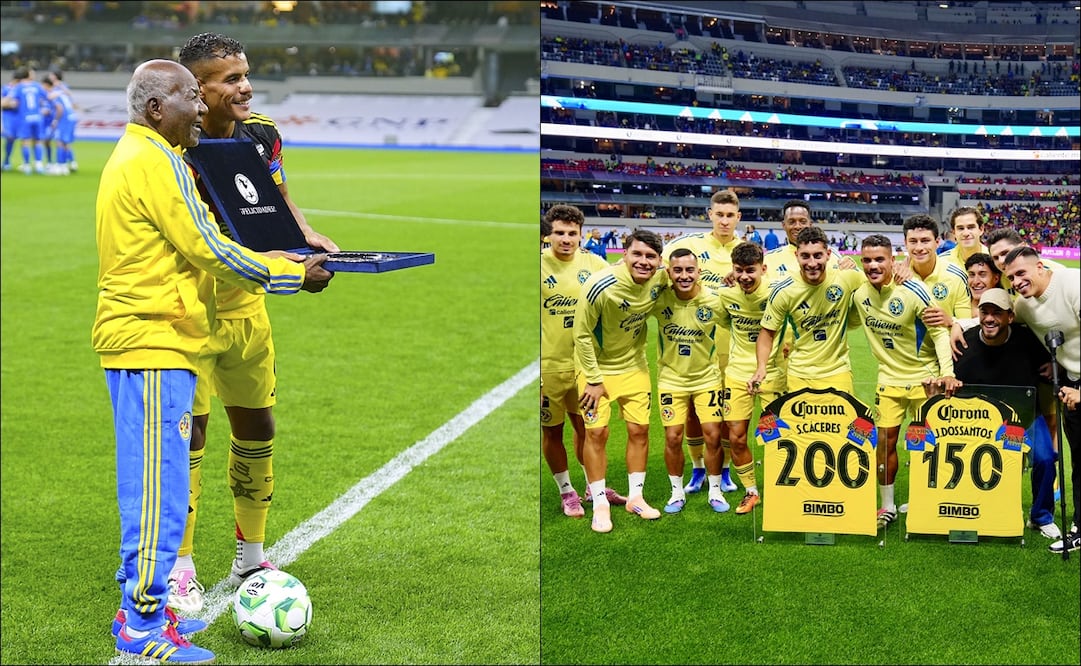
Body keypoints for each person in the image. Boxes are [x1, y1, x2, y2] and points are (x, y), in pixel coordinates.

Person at [95, 58, 331, 664]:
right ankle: (143, 630)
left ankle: (149, 614)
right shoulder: (152, 160)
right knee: (156, 495)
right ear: (155, 108)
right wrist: (290, 271)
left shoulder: (156, 154)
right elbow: (208, 245)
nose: (200, 107)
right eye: (188, 97)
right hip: (151, 341)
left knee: (166, 487)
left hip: (166, 339)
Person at [167, 32, 341, 613]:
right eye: (228, 78)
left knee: (257, 426)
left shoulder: (262, 134)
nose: (244, 87)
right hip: (185, 308)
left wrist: (304, 235)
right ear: (196, 89)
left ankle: (251, 555)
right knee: (188, 435)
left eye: (245, 74)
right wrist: (285, 271)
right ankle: (181, 566)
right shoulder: (172, 142)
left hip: (246, 306)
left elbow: (276, 197)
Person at [851, 234, 958, 529]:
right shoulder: (859, 294)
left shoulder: (913, 288)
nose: (873, 265)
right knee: (884, 443)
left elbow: (937, 331)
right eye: (867, 260)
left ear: (892, 260)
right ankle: (887, 506)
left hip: (924, 380)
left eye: (879, 259)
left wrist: (946, 372)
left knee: (928, 445)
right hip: (889, 380)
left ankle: (928, 501)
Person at [574, 229, 668, 533]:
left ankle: (635, 497)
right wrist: (593, 379)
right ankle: (600, 502)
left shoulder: (659, 279)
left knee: (639, 429)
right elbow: (581, 335)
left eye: (650, 256)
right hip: (595, 371)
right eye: (637, 254)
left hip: (633, 366)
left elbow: (687, 279)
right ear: (624, 253)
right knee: (597, 433)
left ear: (659, 260)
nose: (643, 262)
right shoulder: (600, 286)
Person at [951, 288, 1060, 540]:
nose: (989, 318)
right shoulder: (964, 342)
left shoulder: (1028, 339)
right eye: (985, 312)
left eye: (997, 314)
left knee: (1045, 458)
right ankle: (966, 508)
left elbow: (1054, 360)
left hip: (1025, 418)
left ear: (1010, 317)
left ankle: (1041, 516)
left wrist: (1053, 370)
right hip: (978, 423)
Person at [540, 204, 626, 518]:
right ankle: (567, 492)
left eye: (572, 233)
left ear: (581, 234)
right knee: (552, 432)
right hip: (548, 368)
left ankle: (593, 486)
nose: (566, 239)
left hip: (584, 367)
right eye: (559, 233)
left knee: (586, 430)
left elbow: (623, 288)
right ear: (548, 235)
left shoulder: (595, 263)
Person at [663, 189, 744, 496]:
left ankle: (722, 471)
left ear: (738, 218)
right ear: (710, 214)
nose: (724, 221)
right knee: (694, 414)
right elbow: (658, 268)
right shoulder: (689, 245)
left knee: (725, 413)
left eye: (730, 215)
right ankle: (698, 468)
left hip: (732, 348)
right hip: (695, 348)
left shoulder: (747, 249)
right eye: (719, 214)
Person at [1002, 246, 1081, 554]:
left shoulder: (1072, 284)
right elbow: (998, 319)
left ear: (1040, 266)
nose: (1018, 282)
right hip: (1071, 384)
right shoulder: (1024, 306)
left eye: (1022, 273)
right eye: (1011, 278)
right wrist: (955, 324)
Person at [650, 249, 728, 513]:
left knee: (713, 435)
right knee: (673, 437)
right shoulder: (659, 299)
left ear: (699, 273)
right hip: (671, 379)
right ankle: (676, 493)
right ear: (668, 273)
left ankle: (715, 490)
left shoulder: (714, 301)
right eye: (678, 270)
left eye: (689, 270)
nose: (684, 276)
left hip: (707, 378)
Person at [713, 241, 786, 515]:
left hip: (772, 375)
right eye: (739, 270)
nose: (744, 276)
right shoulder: (726, 295)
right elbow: (723, 322)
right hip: (736, 374)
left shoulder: (778, 292)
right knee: (737, 437)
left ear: (763, 269)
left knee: (775, 437)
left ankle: (781, 490)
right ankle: (751, 491)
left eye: (750, 271)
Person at [750, 226, 863, 395]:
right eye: (805, 256)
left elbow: (879, 285)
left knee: (843, 422)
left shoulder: (847, 277)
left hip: (838, 371)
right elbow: (767, 332)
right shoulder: (784, 291)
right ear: (796, 256)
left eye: (818, 255)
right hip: (799, 374)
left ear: (828, 255)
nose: (812, 263)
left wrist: (899, 269)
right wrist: (761, 367)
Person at [899, 214, 971, 331]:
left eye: (925, 241)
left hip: (945, 347)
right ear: (905, 243)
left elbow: (966, 323)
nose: (919, 247)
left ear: (937, 242)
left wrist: (950, 321)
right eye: (913, 241)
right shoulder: (897, 275)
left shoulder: (957, 277)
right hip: (907, 348)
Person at [41, 72, 77, 176]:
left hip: (64, 118)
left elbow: (59, 108)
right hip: (71, 117)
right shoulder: (62, 91)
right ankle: (65, 166)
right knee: (65, 143)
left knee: (59, 142)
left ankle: (60, 166)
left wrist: (55, 120)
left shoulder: (53, 94)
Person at [963, 252, 1001, 317]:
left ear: (996, 278)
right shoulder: (960, 301)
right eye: (972, 275)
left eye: (982, 274)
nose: (975, 282)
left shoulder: (1003, 307)